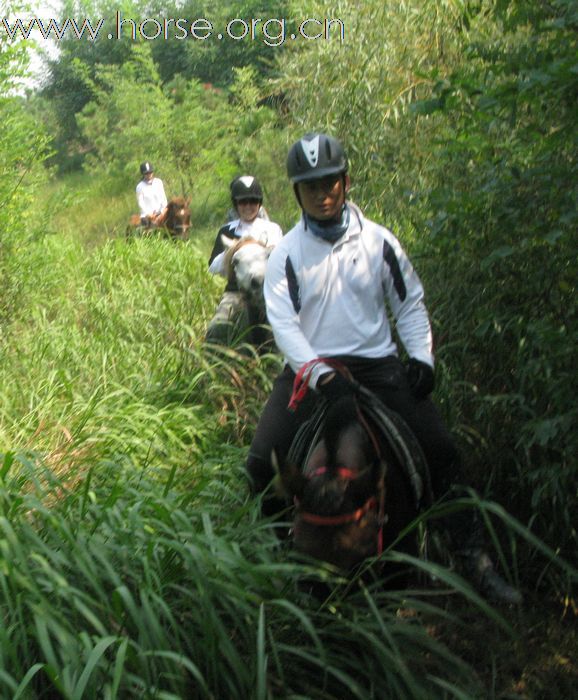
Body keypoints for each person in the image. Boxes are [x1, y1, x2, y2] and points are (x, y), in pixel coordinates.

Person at [246, 132, 521, 604]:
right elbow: (284, 323)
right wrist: (318, 374)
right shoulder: (286, 254)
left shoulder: (379, 241)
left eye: (330, 182)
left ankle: (474, 561)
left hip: (376, 366)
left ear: (345, 181)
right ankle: (285, 561)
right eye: (311, 186)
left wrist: (422, 358)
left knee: (442, 452)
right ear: (297, 193)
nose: (322, 193)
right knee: (258, 464)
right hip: (310, 368)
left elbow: (409, 303)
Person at [206, 175, 283, 346]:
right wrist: (233, 251)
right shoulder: (227, 230)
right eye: (243, 202)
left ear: (259, 203)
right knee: (217, 327)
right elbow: (212, 267)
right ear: (236, 204)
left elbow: (280, 261)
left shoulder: (272, 229)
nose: (248, 206)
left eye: (253, 202)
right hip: (236, 292)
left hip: (268, 291)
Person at [136, 161, 168, 226]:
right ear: (143, 174)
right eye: (146, 173)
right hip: (147, 216)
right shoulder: (139, 187)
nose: (149, 174)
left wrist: (163, 211)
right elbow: (141, 203)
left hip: (161, 213)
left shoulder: (158, 182)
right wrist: (149, 214)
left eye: (150, 172)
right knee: (152, 227)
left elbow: (163, 198)